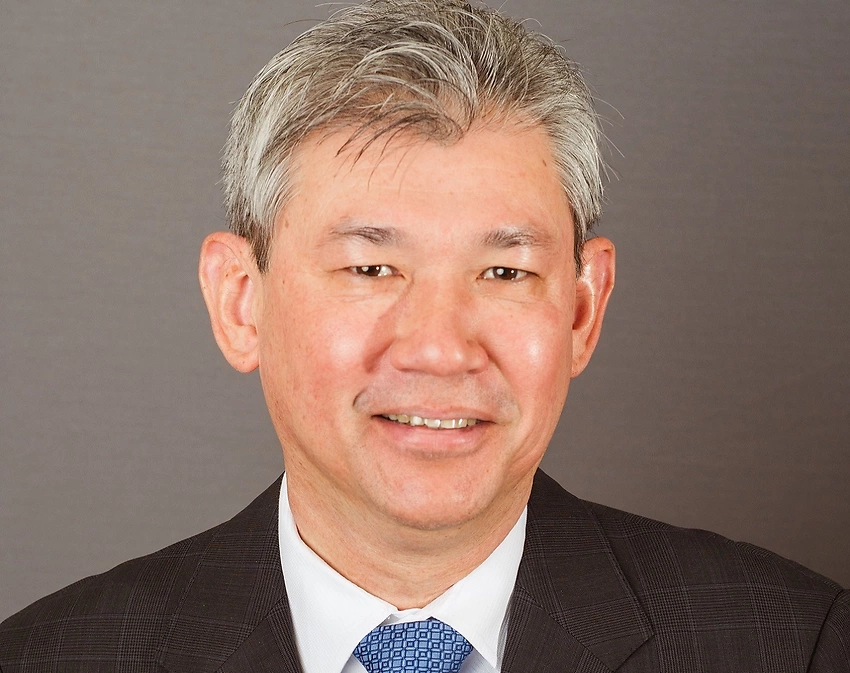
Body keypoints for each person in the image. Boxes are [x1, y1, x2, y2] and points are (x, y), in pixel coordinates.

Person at [1, 0, 847, 671]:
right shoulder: (50, 656)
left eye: (504, 271)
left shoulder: (794, 644)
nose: (441, 349)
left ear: (582, 309)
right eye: (372, 268)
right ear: (239, 301)